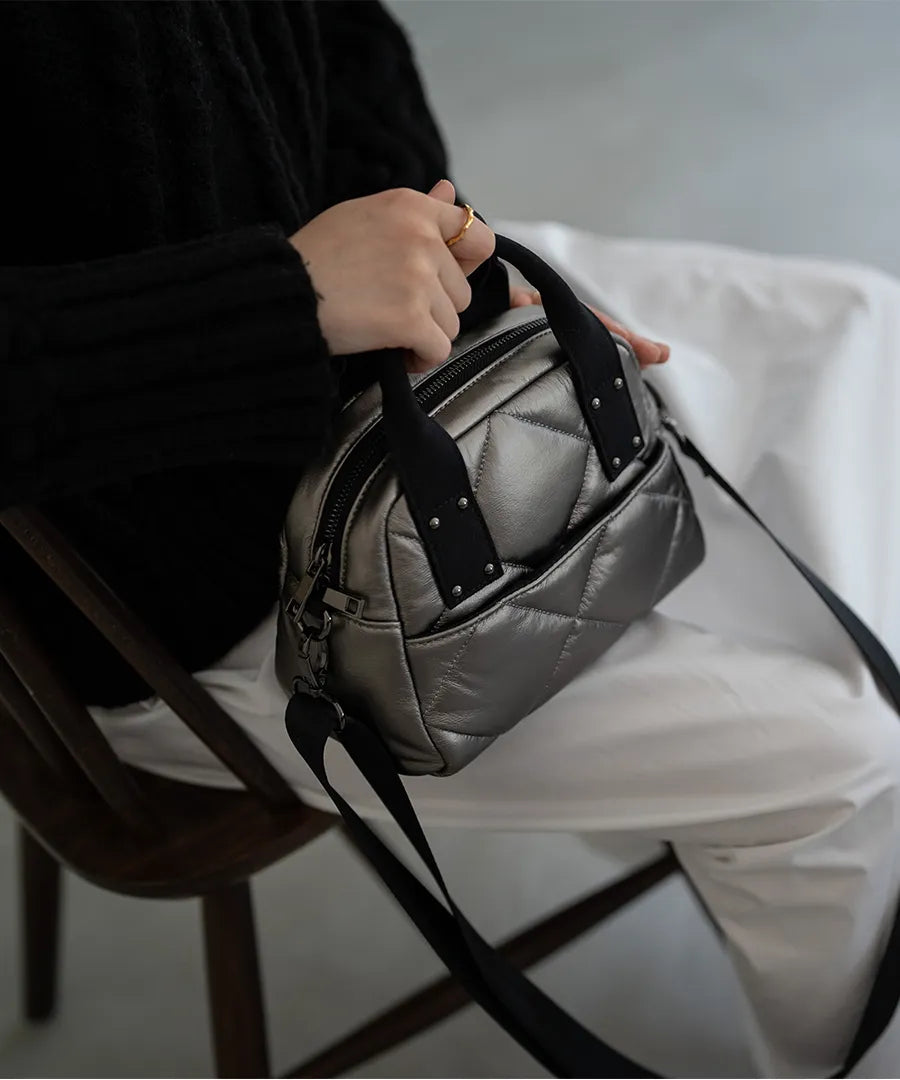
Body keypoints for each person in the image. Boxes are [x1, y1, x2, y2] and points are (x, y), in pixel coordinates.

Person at [2, 3, 898, 1077]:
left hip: (380, 332)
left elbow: (339, 34)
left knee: (859, 344)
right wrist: (277, 306)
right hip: (185, 584)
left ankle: (695, 828)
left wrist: (445, 271)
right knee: (842, 760)